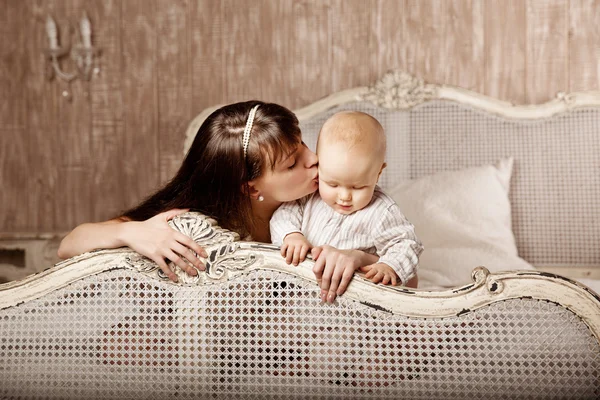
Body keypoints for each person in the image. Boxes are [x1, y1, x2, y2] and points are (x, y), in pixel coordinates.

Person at [57, 101, 378, 299]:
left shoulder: (336, 201)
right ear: (251, 188)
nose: (314, 159)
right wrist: (130, 231)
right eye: (292, 163)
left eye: (304, 144)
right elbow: (68, 244)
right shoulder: (199, 222)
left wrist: (357, 258)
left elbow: (397, 265)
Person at [270, 111, 423, 301]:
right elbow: (283, 214)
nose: (344, 197)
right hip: (305, 297)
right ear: (320, 165)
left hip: (355, 301)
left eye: (358, 187)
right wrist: (291, 234)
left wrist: (389, 266)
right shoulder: (309, 195)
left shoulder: (382, 211)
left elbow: (406, 244)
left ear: (378, 174)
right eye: (332, 184)